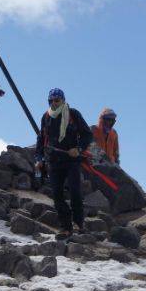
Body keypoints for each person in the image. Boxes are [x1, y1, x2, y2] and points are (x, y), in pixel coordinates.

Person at [35, 88, 92, 240]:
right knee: (57, 195)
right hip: (53, 161)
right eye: (51, 100)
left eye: (57, 100)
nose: (54, 103)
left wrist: (78, 148)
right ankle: (66, 227)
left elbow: (87, 134)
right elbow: (41, 139)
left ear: (63, 100)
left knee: (75, 192)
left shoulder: (73, 114)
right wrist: (39, 158)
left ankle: (79, 224)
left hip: (72, 160)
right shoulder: (46, 117)